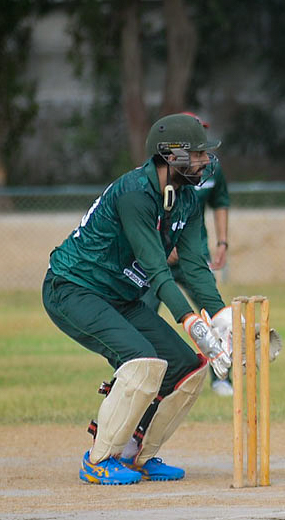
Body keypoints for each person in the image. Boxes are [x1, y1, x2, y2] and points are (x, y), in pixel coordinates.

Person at [42, 113, 236, 485]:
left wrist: (222, 318)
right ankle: (99, 459)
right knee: (142, 360)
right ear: (171, 155)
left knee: (186, 368)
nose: (204, 161)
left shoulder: (187, 199)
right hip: (72, 287)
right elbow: (156, 269)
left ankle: (136, 454)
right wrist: (190, 321)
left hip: (120, 297)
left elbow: (195, 266)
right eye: (197, 154)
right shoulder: (134, 193)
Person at [141, 112, 233, 397]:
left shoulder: (205, 174)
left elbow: (220, 202)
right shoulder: (150, 179)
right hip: (157, 262)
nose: (202, 148)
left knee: (215, 313)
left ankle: (222, 376)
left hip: (193, 256)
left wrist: (222, 242)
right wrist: (161, 248)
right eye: (196, 142)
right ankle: (138, 375)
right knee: (141, 316)